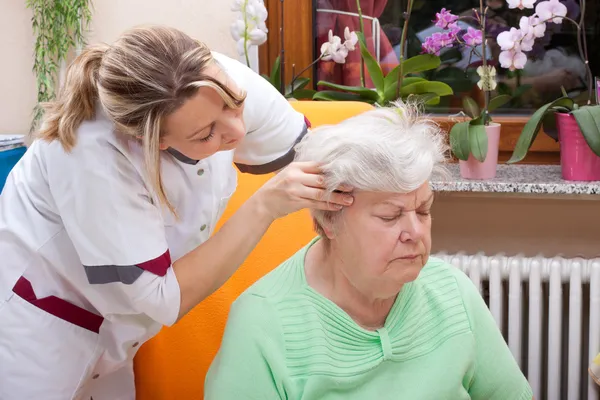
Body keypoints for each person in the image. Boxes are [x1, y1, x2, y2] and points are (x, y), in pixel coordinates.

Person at [0, 25, 354, 400]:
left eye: (234, 105)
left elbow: (314, 153)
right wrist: (264, 206)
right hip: (40, 323)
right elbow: (162, 297)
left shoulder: (212, 79)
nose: (237, 130)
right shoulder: (97, 155)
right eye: (206, 135)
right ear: (152, 141)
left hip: (121, 331)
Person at [205, 101, 534, 399]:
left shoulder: (452, 292)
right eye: (390, 216)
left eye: (423, 211)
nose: (416, 233)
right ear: (329, 220)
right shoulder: (264, 325)